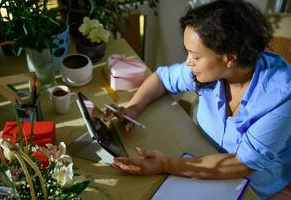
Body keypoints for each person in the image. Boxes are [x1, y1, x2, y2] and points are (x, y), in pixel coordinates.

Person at [104, 0, 291, 199]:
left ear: (229, 58)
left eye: (195, 56)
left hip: (256, 188)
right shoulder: (212, 70)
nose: (188, 62)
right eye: (188, 53)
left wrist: (165, 164)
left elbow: (242, 164)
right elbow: (162, 78)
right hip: (201, 159)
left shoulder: (282, 99)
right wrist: (133, 108)